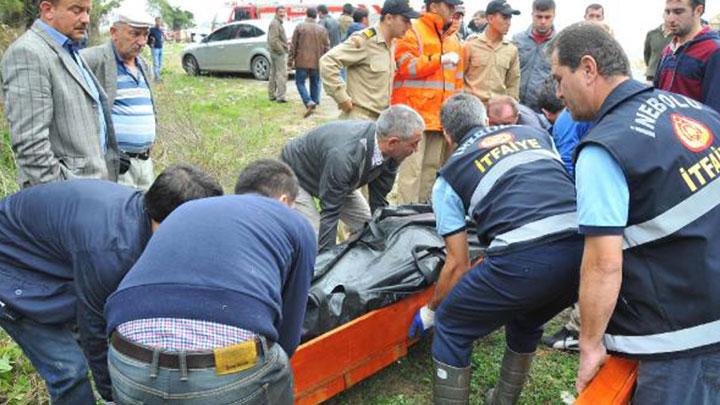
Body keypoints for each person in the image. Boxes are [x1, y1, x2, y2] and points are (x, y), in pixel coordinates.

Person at [550, 23, 720, 403]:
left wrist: (590, 345)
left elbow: (602, 264)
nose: (558, 92)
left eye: (561, 77)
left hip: (681, 339)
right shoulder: (696, 111)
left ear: (589, 69)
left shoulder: (604, 149)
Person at [409, 93, 582, 404]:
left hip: (524, 258)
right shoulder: (537, 135)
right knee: (528, 316)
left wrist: (432, 310)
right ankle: (503, 400)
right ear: (485, 121)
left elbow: (458, 264)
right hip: (582, 253)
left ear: (447, 135)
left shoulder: (449, 178)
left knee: (452, 324)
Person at [0, 165, 223, 404]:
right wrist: (113, 395)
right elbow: (94, 325)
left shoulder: (143, 214)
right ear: (175, 219)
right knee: (69, 370)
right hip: (11, 270)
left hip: (48, 258)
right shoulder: (113, 248)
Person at [104, 159, 317, 404]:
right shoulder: (297, 224)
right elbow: (288, 334)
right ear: (284, 201)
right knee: (276, 360)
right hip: (220, 368)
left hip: (127, 355)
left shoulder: (187, 210)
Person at [0, 0, 124, 187]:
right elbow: (31, 146)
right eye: (77, 10)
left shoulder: (68, 49)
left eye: (88, 11)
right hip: (66, 198)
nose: (86, 19)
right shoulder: (28, 52)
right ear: (48, 10)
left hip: (90, 188)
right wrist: (63, 196)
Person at [280, 105, 424, 251]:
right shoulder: (345, 156)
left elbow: (378, 201)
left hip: (335, 177)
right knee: (315, 236)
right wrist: (326, 260)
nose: (416, 149)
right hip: (296, 175)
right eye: (414, 144)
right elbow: (330, 212)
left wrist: (381, 242)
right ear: (393, 142)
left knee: (368, 227)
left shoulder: (392, 154)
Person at [391, 0, 464, 205]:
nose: (453, 10)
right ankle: (404, 222)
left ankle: (423, 219)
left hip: (440, 120)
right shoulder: (412, 31)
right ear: (433, 6)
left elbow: (457, 85)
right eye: (449, 6)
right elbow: (406, 67)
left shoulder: (454, 40)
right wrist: (438, 59)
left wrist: (453, 119)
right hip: (413, 118)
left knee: (431, 173)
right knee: (411, 175)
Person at [82, 13, 157, 191]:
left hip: (145, 163)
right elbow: (81, 113)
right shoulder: (92, 59)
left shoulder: (143, 65)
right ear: (114, 32)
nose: (142, 41)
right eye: (134, 33)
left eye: (145, 34)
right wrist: (104, 153)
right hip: (115, 165)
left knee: (144, 214)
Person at [320, 0, 419, 120]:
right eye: (405, 20)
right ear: (388, 18)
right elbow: (328, 61)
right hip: (360, 119)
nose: (409, 25)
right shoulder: (366, 40)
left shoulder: (392, 43)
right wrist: (342, 98)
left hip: (380, 120)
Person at [655, 0, 720, 112]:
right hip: (664, 126)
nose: (670, 19)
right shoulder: (668, 50)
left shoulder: (713, 51)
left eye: (678, 12)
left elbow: (714, 112)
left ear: (698, 11)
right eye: (667, 12)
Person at [464, 0, 521, 104]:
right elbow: (458, 78)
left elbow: (513, 85)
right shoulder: (471, 45)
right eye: (504, 17)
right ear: (490, 18)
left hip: (498, 111)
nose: (508, 22)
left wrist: (510, 108)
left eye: (510, 18)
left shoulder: (511, 50)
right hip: (472, 108)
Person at [512, 0, 556, 113]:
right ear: (532, 15)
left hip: (543, 110)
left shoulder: (559, 43)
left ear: (554, 16)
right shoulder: (517, 39)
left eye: (547, 17)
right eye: (539, 16)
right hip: (516, 104)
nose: (543, 21)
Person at [290, 7, 330, 118]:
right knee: (315, 81)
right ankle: (315, 101)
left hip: (301, 61)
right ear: (316, 15)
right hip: (317, 61)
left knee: (300, 82)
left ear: (306, 15)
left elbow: (293, 46)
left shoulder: (299, 27)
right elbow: (327, 47)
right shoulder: (322, 29)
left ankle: (308, 101)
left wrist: (290, 61)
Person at [268, 6, 289, 103]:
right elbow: (273, 41)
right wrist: (282, 51)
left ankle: (272, 95)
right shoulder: (275, 23)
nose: (282, 14)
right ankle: (281, 97)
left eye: (283, 12)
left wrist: (286, 43)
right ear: (276, 12)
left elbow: (277, 39)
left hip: (275, 52)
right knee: (281, 74)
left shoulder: (277, 23)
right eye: (280, 12)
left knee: (274, 73)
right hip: (277, 53)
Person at [147, 16, 164, 81]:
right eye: (158, 21)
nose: (159, 22)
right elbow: (147, 38)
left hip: (160, 48)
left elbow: (161, 37)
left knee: (160, 63)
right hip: (155, 49)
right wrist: (150, 44)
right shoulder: (151, 29)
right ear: (155, 21)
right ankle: (157, 78)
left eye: (160, 21)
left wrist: (162, 40)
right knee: (156, 64)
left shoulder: (160, 30)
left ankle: (158, 76)